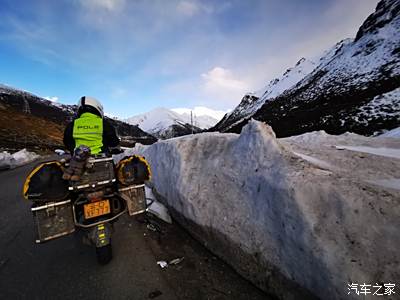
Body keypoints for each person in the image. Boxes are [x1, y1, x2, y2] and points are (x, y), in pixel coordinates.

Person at [62, 96, 120, 180]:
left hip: (79, 163)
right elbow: (114, 142)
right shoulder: (103, 123)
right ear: (97, 108)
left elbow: (67, 142)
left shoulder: (72, 125)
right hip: (102, 163)